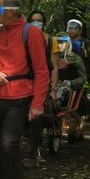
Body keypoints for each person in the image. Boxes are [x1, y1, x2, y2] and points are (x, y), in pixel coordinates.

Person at [0, 0, 49, 179]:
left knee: (9, 145)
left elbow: (41, 71)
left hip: (19, 98)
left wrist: (37, 103)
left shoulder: (31, 33)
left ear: (9, 11)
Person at [25, 9, 60, 166]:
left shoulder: (50, 41)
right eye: (32, 20)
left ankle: (34, 152)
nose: (35, 23)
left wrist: (53, 89)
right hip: (23, 83)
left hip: (41, 84)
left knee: (37, 116)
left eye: (39, 20)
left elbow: (54, 67)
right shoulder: (23, 37)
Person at [66, 19, 90, 140]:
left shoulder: (88, 45)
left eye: (74, 27)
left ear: (80, 30)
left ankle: (79, 128)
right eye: (69, 27)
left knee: (81, 106)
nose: (71, 30)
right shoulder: (62, 43)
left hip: (83, 81)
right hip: (65, 80)